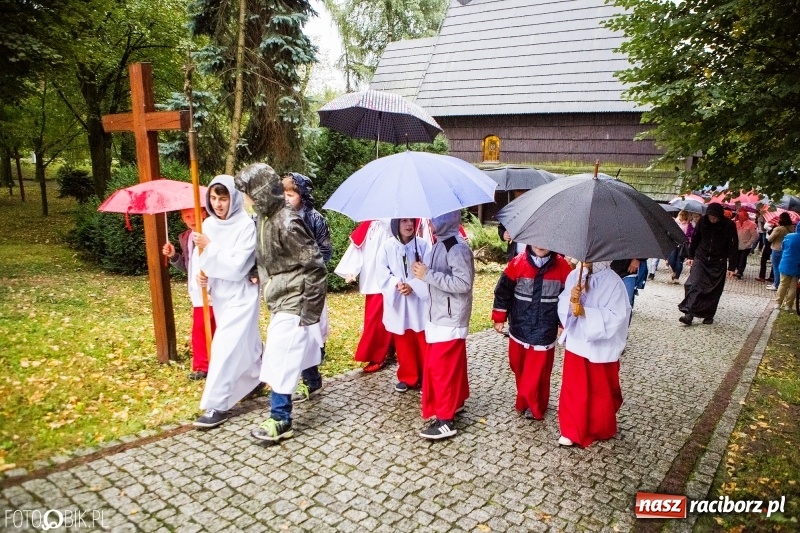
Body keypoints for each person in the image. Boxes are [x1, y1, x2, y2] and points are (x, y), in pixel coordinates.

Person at [234, 163, 327, 443]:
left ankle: (280, 418)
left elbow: (315, 264)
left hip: (294, 298)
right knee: (295, 349)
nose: (245, 200)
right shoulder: (264, 217)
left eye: (248, 193)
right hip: (280, 295)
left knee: (280, 356)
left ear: (260, 191)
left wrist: (308, 309)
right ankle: (314, 381)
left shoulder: (287, 221)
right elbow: (267, 256)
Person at [192, 175, 263, 428]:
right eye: (213, 198)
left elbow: (237, 266)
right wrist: (204, 277)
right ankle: (256, 376)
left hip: (242, 293)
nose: (218, 204)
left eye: (223, 198)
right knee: (247, 340)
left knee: (225, 345)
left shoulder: (245, 225)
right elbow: (201, 262)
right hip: (220, 294)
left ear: (232, 198)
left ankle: (217, 404)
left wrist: (210, 249)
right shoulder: (208, 224)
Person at [412, 210, 474, 440]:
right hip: (440, 315)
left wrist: (428, 274)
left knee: (442, 370)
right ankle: (454, 403)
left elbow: (463, 283)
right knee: (449, 367)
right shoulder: (441, 243)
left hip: (449, 319)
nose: (431, 221)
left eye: (436, 216)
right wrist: (424, 272)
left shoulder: (455, 247)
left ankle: (445, 420)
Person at [556, 261, 631, 447]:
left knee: (600, 388)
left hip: (601, 347)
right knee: (574, 387)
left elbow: (618, 315)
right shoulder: (575, 276)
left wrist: (585, 312)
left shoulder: (613, 282)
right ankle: (572, 428)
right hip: (577, 341)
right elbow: (563, 303)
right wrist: (571, 301)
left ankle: (599, 425)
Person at [492, 245, 571, 420]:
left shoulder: (563, 268)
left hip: (545, 328)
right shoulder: (516, 263)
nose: (540, 244)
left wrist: (563, 323)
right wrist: (499, 316)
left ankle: (535, 405)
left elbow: (568, 300)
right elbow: (503, 291)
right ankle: (525, 397)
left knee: (537, 371)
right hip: (519, 326)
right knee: (517, 364)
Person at [283, 173, 332, 404]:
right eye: (283, 193)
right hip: (289, 287)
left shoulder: (315, 220)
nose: (286, 198)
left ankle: (312, 380)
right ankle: (301, 380)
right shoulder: (280, 219)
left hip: (311, 285)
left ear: (302, 195)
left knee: (311, 333)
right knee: (293, 334)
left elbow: (325, 252)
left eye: (290, 194)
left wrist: (308, 269)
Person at [162, 208, 216, 380]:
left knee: (216, 326)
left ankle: (217, 362)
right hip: (196, 291)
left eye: (195, 215)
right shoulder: (185, 238)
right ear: (182, 219)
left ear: (204, 214)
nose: (192, 219)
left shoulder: (213, 233)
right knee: (199, 328)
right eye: (187, 216)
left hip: (213, 288)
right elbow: (187, 266)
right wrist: (173, 255)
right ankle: (202, 365)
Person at [377, 218, 430, 392]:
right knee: (403, 338)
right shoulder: (387, 246)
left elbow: (430, 270)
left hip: (418, 301)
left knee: (422, 338)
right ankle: (408, 376)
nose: (409, 225)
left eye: (411, 221)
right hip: (399, 300)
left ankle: (426, 376)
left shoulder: (422, 246)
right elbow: (382, 272)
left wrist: (414, 286)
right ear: (396, 225)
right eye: (404, 221)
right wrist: (397, 284)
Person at [335, 220, 394, 372]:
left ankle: (384, 353)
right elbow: (357, 249)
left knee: (391, 317)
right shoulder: (369, 225)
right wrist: (351, 270)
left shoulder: (395, 223)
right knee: (375, 319)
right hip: (373, 280)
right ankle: (380, 354)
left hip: (390, 278)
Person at [677, 202, 738, 326]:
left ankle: (708, 314)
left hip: (718, 261)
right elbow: (695, 238)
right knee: (693, 284)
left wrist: (732, 266)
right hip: (701, 257)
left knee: (713, 289)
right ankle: (688, 313)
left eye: (715, 217)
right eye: (710, 217)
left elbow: (733, 245)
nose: (712, 220)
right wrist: (690, 255)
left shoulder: (729, 225)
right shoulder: (703, 222)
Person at [766, 212, 797, 291]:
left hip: (776, 249)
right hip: (786, 249)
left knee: (776, 267)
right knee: (782, 267)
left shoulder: (778, 229)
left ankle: (776, 284)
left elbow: (770, 239)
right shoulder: (792, 228)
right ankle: (781, 283)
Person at [666, 210, 694, 284]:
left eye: (684, 215)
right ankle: (674, 271)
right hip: (674, 243)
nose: (682, 216)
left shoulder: (689, 224)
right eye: (681, 215)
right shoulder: (676, 222)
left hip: (683, 245)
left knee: (679, 261)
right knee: (671, 259)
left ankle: (676, 277)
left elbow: (689, 235)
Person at [775, 225, 799, 311]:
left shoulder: (789, 236)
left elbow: (783, 247)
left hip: (786, 263)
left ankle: (778, 303)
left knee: (783, 284)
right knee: (793, 287)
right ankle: (788, 305)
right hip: (797, 266)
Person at [732, 210, 757, 279]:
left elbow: (754, 236)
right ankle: (737, 270)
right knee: (736, 258)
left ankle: (740, 272)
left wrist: (748, 244)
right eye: (739, 216)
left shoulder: (752, 224)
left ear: (746, 217)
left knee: (742, 259)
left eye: (740, 216)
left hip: (745, 245)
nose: (739, 217)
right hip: (737, 244)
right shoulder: (736, 223)